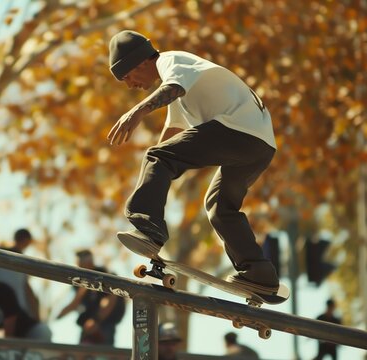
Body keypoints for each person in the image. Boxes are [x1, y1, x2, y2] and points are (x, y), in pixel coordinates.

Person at [107, 30, 279, 294]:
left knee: (158, 157)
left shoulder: (170, 61)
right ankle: (259, 274)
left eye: (128, 76)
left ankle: (148, 227)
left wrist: (138, 111)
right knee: (220, 207)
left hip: (239, 131)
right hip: (260, 145)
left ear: (142, 62)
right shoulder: (182, 84)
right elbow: (171, 135)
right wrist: (157, 183)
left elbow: (171, 90)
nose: (130, 85)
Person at [0, 228, 52, 341]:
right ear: (26, 241)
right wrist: (36, 316)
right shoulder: (20, 260)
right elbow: (27, 290)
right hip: (14, 313)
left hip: (1, 311)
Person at [56, 249, 126, 345]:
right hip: (87, 324)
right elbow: (75, 302)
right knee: (82, 353)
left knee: (103, 355)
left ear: (90, 262)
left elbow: (110, 299)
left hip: (104, 324)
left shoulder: (104, 274)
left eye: (82, 262)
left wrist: (96, 320)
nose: (79, 266)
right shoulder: (79, 280)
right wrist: (54, 318)